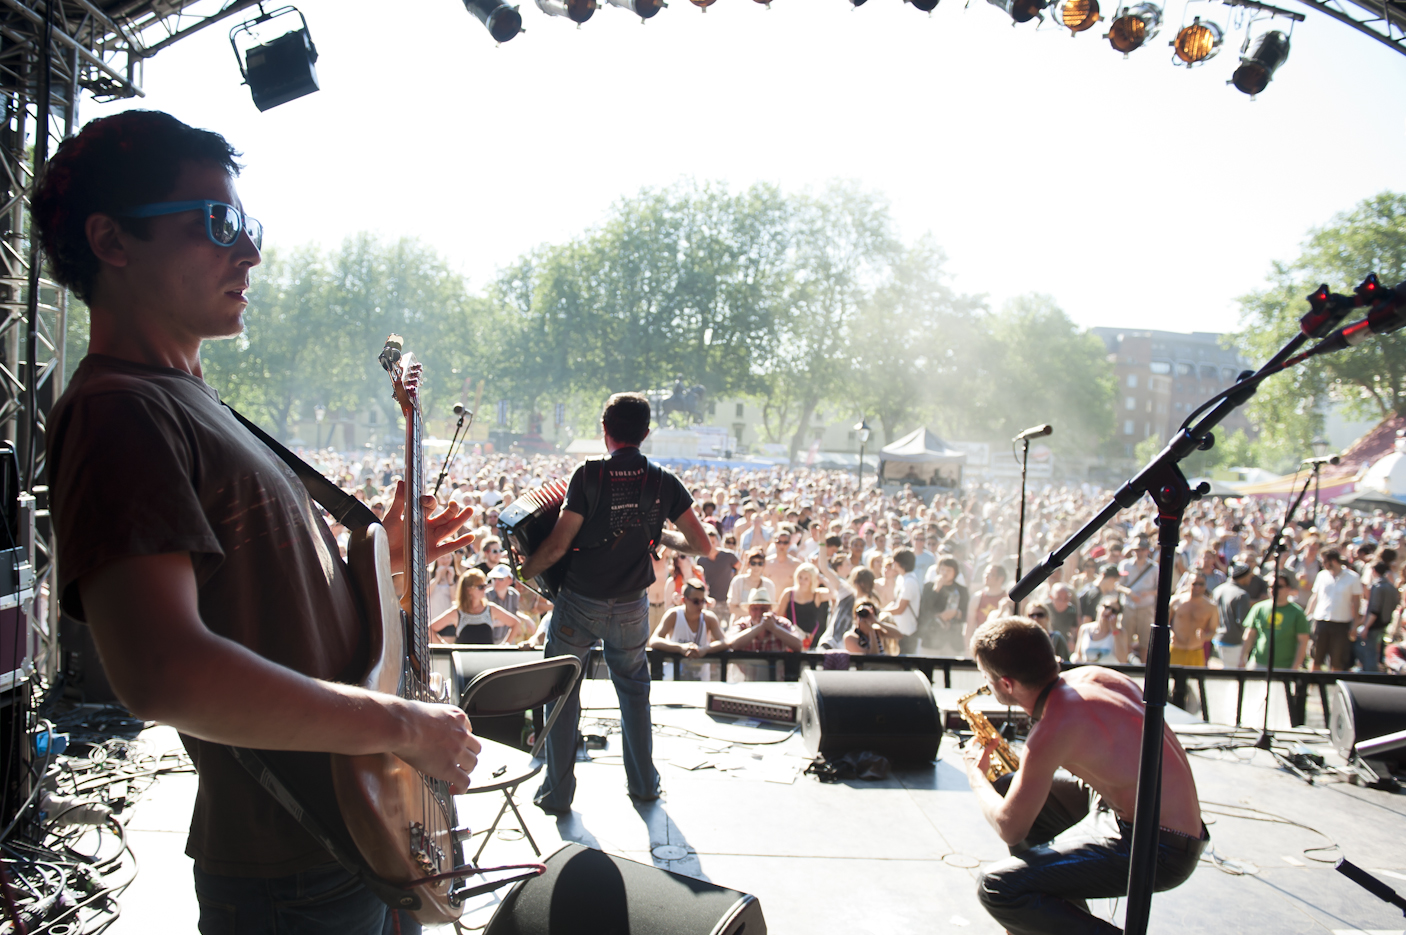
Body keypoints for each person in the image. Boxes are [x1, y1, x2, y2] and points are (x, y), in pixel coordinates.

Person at [38, 110, 480, 933]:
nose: (250, 251)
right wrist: (401, 722)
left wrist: (378, 571)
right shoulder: (119, 411)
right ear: (112, 240)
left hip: (357, 834)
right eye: (219, 222)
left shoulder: (188, 399)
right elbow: (164, 671)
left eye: (250, 225)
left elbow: (259, 602)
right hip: (295, 867)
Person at [520, 393, 712, 815]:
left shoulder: (587, 475)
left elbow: (556, 547)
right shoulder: (663, 480)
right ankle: (644, 786)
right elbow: (702, 545)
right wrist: (657, 534)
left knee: (562, 695)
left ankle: (557, 793)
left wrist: (523, 570)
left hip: (577, 604)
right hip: (630, 608)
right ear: (645, 434)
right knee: (634, 695)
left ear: (604, 430)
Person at [964, 616, 1207, 935]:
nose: (986, 684)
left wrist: (975, 774)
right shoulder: (1098, 676)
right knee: (1014, 788)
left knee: (997, 887)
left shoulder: (1054, 727)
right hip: (1147, 817)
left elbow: (1011, 828)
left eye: (987, 677)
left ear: (1006, 683)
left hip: (1160, 849)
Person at [1303, 547, 1363, 672]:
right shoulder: (1322, 575)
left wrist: (1355, 625)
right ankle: (1312, 686)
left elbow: (1356, 602)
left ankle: (1336, 689)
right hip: (1321, 620)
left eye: (1324, 561)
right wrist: (1307, 614)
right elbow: (1315, 597)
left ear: (1333, 561)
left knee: (1338, 660)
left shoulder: (1352, 577)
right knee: (1316, 656)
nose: (1323, 564)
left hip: (1341, 622)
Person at [647, 579, 728, 665]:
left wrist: (705, 649)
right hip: (674, 674)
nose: (700, 605)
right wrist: (680, 648)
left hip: (701, 676)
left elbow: (725, 642)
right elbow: (654, 640)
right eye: (696, 601)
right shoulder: (673, 615)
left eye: (703, 601)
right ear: (684, 600)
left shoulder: (709, 618)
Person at [1239, 574, 1310, 671]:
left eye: (1278, 587)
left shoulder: (1297, 613)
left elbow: (1302, 642)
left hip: (1285, 667)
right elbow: (1249, 635)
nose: (1273, 590)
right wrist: (1242, 657)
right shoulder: (1259, 608)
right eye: (1271, 587)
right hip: (1258, 663)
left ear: (1288, 589)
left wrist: (1294, 667)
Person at [917, 556, 969, 656]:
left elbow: (966, 613)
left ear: (955, 572)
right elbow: (924, 609)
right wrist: (936, 589)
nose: (945, 573)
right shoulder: (929, 587)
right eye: (942, 569)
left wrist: (956, 613)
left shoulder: (961, 590)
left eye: (949, 570)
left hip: (953, 639)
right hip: (932, 638)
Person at [726, 587, 804, 652]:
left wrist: (774, 628)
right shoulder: (741, 624)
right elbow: (732, 644)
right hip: (748, 670)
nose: (759, 612)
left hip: (775, 670)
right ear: (749, 610)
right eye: (755, 609)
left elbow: (798, 645)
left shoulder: (782, 623)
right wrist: (760, 627)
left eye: (763, 609)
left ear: (770, 609)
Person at [773, 562, 831, 649]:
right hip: (791, 640)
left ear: (812, 579)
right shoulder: (788, 593)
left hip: (812, 641)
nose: (802, 581)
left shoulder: (817, 594)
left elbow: (835, 592)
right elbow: (779, 617)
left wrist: (821, 578)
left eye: (806, 578)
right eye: (800, 577)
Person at [1355, 559, 1399, 672]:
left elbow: (1374, 609)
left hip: (1375, 624)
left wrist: (1366, 627)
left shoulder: (1377, 587)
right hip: (1385, 623)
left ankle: (1370, 673)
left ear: (1374, 571)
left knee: (1368, 651)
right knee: (1376, 651)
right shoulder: (1391, 586)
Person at [1210, 563, 1255, 668]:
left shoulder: (1218, 589)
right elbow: (1243, 622)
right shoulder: (1242, 595)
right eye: (1249, 576)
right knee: (1234, 679)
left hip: (1218, 639)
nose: (1251, 578)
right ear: (1243, 576)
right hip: (1234, 643)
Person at [1168, 575, 1218, 667]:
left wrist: (1205, 637)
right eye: (1194, 584)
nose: (1197, 587)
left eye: (1201, 584)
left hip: (1196, 650)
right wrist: (1171, 633)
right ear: (1188, 584)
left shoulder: (1211, 607)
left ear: (1205, 585)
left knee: (1196, 680)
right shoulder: (1175, 601)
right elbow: (1165, 623)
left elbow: (1213, 631)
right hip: (1176, 648)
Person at [882, 549, 921, 654]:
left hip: (907, 632)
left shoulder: (910, 581)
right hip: (899, 630)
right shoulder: (901, 578)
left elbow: (900, 609)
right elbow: (895, 602)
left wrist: (881, 613)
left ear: (900, 563)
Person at [726, 547, 775, 620]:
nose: (756, 567)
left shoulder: (769, 584)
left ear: (763, 565)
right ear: (748, 564)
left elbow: (771, 608)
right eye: (753, 563)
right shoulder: (738, 581)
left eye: (760, 563)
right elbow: (732, 608)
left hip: (761, 623)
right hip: (739, 622)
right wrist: (754, 614)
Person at [1074, 598, 1126, 664]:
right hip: (1089, 671)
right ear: (1098, 607)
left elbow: (1123, 660)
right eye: (1107, 607)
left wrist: (1114, 630)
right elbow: (1078, 655)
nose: (1109, 612)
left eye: (1114, 611)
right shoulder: (1085, 629)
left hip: (1109, 672)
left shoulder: (1120, 632)